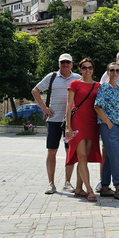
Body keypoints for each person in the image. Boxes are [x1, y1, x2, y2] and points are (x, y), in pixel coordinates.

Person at [32, 53, 81, 195]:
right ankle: (51, 183)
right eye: (62, 62)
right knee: (52, 151)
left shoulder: (77, 78)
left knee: (69, 152)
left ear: (72, 64)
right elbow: (35, 90)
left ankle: (67, 182)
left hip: (70, 121)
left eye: (67, 62)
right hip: (54, 120)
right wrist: (44, 108)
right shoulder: (52, 77)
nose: (65, 64)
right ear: (59, 64)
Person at [65, 58, 102, 202]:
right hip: (78, 122)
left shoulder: (98, 85)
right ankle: (89, 189)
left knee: (85, 157)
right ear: (80, 69)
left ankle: (79, 188)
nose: (88, 70)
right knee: (81, 156)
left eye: (90, 68)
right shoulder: (74, 84)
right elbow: (69, 106)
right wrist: (68, 126)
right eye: (85, 68)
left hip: (92, 123)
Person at [94, 63, 119, 201]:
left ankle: (104, 186)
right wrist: (108, 123)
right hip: (109, 125)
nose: (115, 72)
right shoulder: (104, 87)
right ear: (107, 72)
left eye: (117, 70)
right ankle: (118, 187)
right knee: (117, 156)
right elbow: (98, 106)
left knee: (109, 157)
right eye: (112, 70)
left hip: (118, 126)